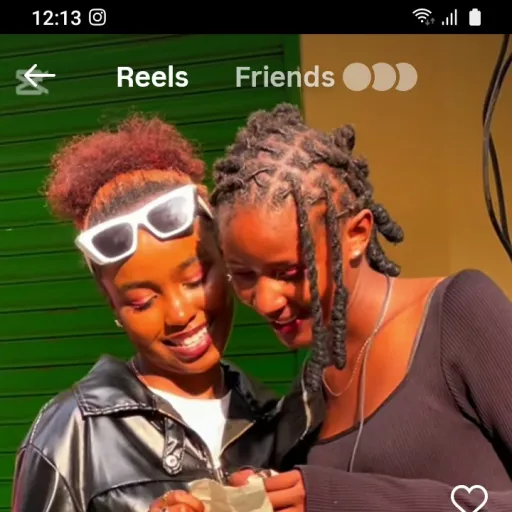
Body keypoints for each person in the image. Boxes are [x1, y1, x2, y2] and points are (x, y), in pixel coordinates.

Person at [202, 103, 511, 511]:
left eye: (290, 272)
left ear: (358, 234)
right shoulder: (311, 393)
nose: (266, 301)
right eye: (243, 275)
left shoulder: (459, 314)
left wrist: (341, 497)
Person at [11, 115, 320, 512]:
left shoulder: (274, 421)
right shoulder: (71, 435)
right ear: (113, 305)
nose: (178, 314)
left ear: (225, 259)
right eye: (142, 301)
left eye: (195, 279)